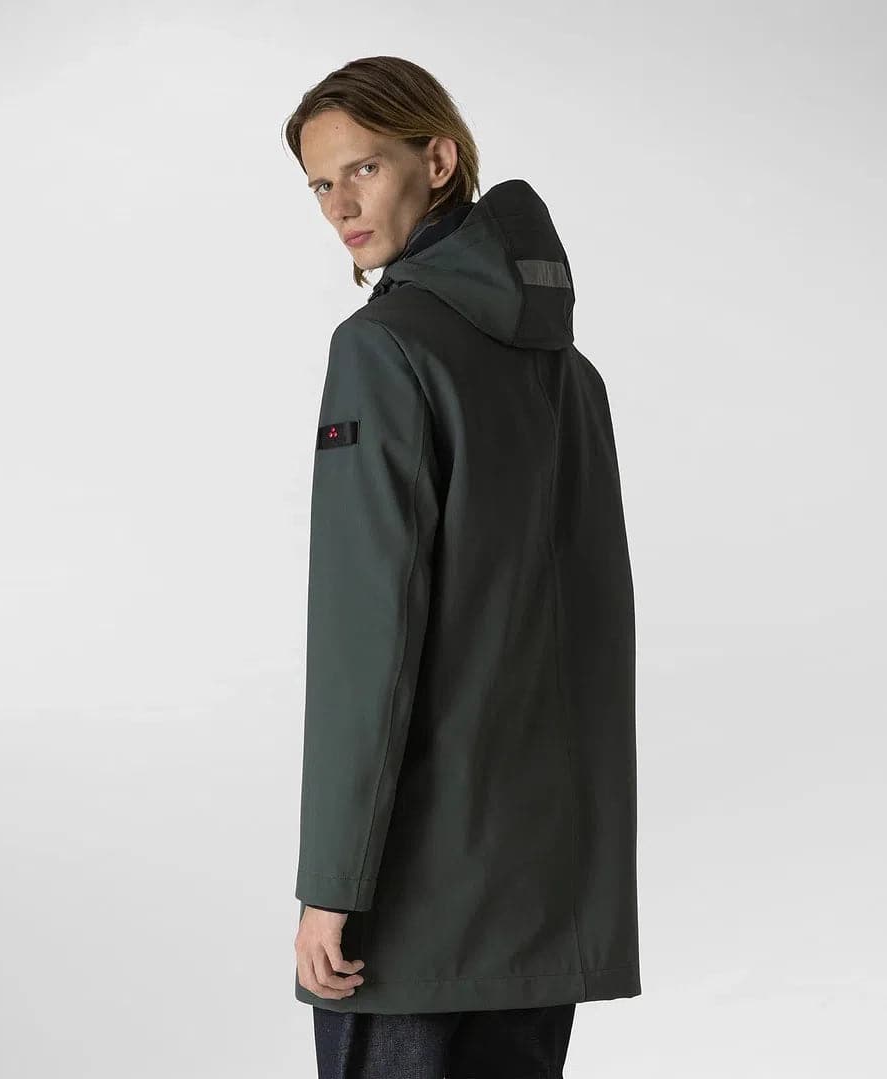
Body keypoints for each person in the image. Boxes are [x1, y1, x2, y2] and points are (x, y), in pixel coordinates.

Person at [281, 55, 641, 1078]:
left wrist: (332, 885)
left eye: (363, 169)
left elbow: (370, 638)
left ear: (438, 161)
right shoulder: (571, 373)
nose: (339, 207)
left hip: (416, 906)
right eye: (319, 184)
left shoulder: (383, 349)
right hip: (549, 896)